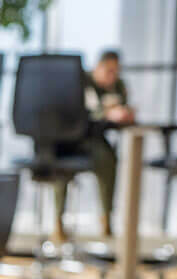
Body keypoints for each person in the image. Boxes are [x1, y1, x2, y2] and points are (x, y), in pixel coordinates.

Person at [52, 49, 136, 242]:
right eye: (109, 71)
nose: (112, 76)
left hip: (94, 140)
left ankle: (106, 221)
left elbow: (120, 109)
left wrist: (125, 114)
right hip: (67, 140)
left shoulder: (118, 85)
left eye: (116, 72)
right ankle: (57, 223)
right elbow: (80, 110)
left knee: (108, 159)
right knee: (59, 165)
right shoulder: (81, 80)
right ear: (98, 67)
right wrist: (107, 113)